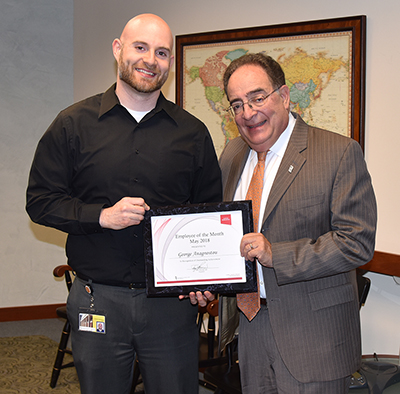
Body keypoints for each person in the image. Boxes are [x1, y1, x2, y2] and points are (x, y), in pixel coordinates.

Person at [26, 14, 222, 394]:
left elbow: (209, 216)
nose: (151, 60)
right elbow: (40, 202)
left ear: (170, 61)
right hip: (97, 302)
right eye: (141, 47)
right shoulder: (72, 125)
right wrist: (101, 216)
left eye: (162, 52)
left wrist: (205, 280)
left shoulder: (192, 133)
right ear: (118, 50)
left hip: (170, 306)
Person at [217, 53, 377, 394]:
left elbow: (356, 242)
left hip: (314, 336)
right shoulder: (231, 155)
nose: (248, 112)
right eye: (237, 104)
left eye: (258, 98)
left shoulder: (338, 152)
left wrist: (278, 254)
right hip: (251, 327)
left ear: (285, 95)